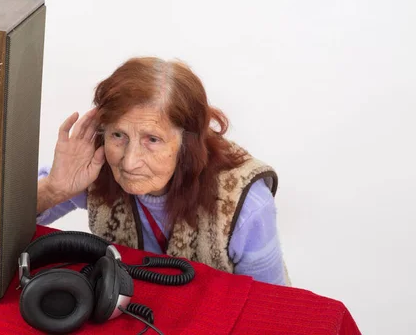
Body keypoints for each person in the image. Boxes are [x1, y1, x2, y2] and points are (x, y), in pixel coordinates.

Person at [35, 56, 291, 286]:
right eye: (118, 135)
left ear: (187, 144)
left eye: (152, 139)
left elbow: (274, 308)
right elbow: (2, 226)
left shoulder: (246, 203)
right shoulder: (95, 164)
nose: (129, 162)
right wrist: (53, 190)